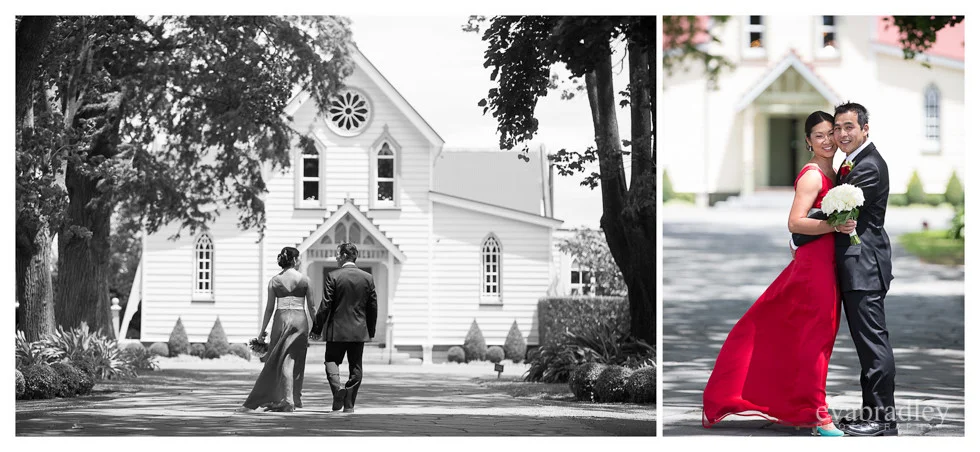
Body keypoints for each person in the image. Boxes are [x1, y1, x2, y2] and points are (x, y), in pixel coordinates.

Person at [702, 110, 854, 436]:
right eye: (819, 135)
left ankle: (799, 407)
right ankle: (818, 415)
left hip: (826, 265)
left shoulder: (838, 172)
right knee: (816, 339)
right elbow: (795, 222)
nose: (828, 140)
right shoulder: (813, 175)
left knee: (809, 339)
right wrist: (834, 224)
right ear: (808, 141)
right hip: (815, 269)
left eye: (831, 133)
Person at [824, 102, 897, 436]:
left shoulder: (868, 167)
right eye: (838, 128)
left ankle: (882, 419)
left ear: (865, 129)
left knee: (873, 345)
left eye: (849, 127)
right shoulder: (854, 163)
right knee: (866, 345)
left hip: (865, 266)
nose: (841, 134)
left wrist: (799, 226)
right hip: (857, 267)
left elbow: (837, 214)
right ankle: (873, 414)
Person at [240, 246, 315, 412]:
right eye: (299, 258)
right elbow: (312, 306)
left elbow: (269, 309)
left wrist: (261, 332)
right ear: (294, 260)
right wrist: (316, 326)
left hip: (281, 319)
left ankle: (285, 399)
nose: (300, 260)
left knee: (279, 360)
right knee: (294, 359)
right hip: (300, 320)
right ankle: (289, 398)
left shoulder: (274, 281)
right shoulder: (305, 280)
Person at [310, 242, 378, 413]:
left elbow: (325, 305)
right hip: (358, 330)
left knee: (331, 361)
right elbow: (373, 307)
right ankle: (349, 404)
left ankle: (337, 389)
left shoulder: (333, 276)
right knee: (356, 367)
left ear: (345, 256)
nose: (336, 257)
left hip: (336, 330)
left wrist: (317, 328)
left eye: (338, 254)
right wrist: (370, 330)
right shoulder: (367, 278)